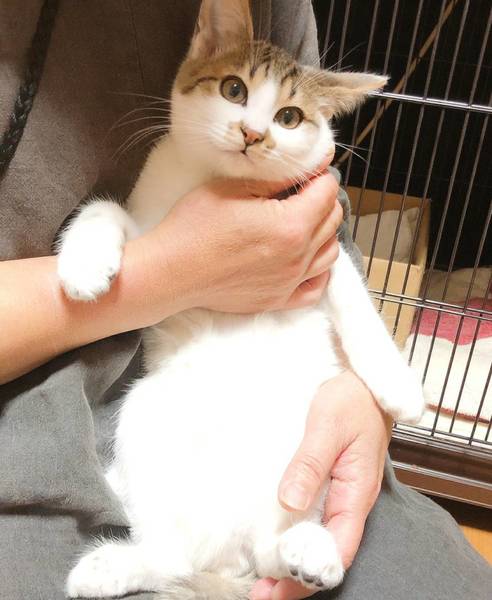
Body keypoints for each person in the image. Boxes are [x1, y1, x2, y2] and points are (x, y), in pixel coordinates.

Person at [0, 2, 489, 600]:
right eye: (235, 92)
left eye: (285, 116)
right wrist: (166, 267)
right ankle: (164, 557)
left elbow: (329, 250)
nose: (254, 129)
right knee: (144, 419)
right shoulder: (171, 159)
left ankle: (279, 545)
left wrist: (368, 396)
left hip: (281, 401)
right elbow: (133, 235)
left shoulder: (273, 19)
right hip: (63, 424)